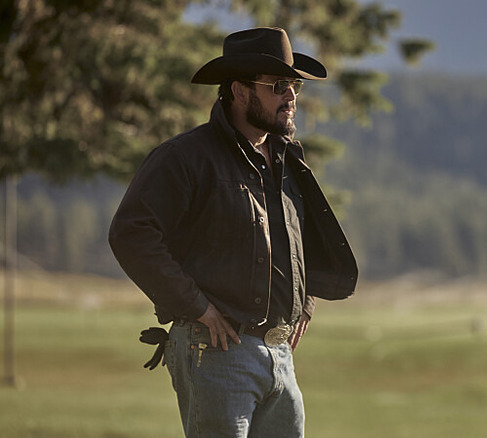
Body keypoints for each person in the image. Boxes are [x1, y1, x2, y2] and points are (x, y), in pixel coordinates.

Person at [109, 27, 358, 438]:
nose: (292, 96)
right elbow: (131, 233)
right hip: (215, 351)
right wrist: (197, 308)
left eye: (294, 85)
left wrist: (304, 302)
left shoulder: (285, 157)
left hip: (280, 356)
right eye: (279, 85)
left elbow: (300, 240)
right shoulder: (186, 156)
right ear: (240, 92)